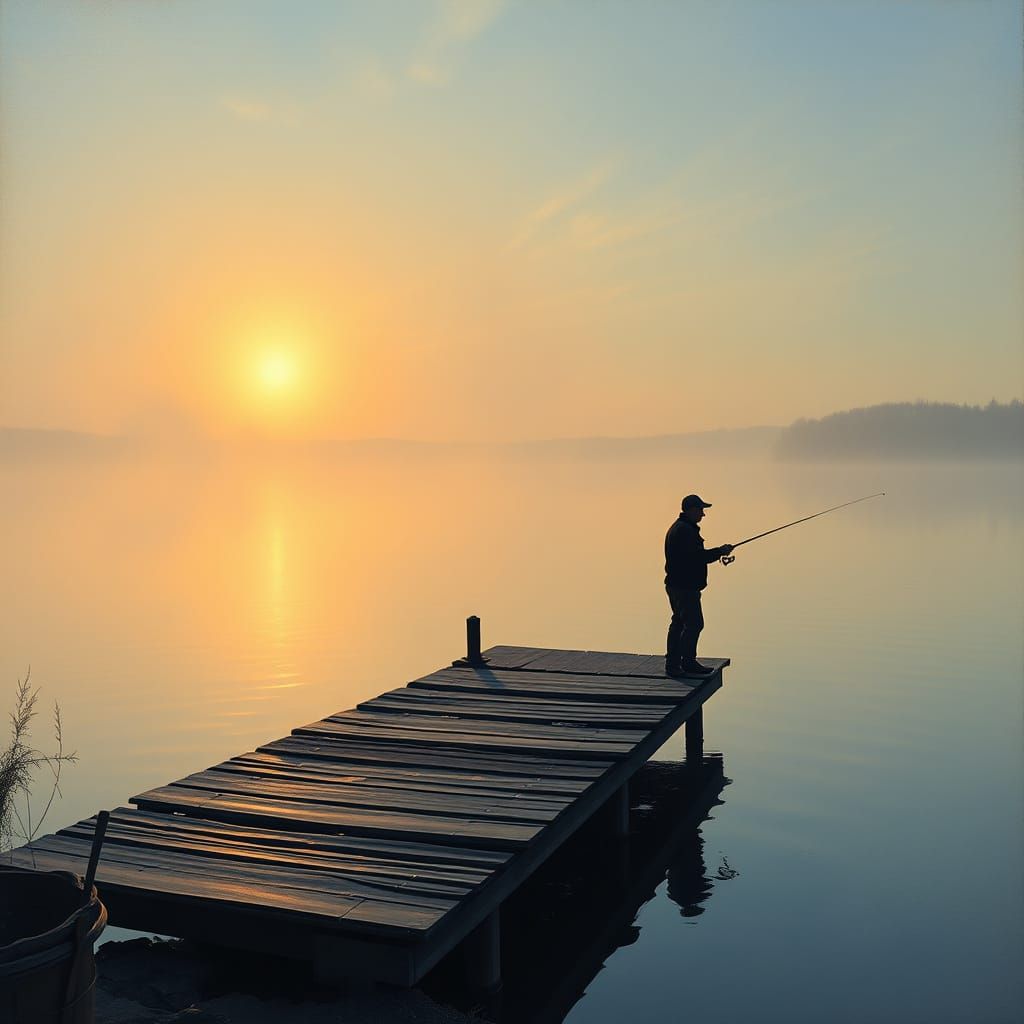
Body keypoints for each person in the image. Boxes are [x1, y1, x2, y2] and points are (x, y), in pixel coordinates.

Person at [664, 494, 733, 678]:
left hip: (677, 585)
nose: (703, 514)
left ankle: (674, 663)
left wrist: (718, 552)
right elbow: (696, 557)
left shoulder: (682, 528)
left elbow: (694, 556)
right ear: (691, 510)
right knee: (694, 623)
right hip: (684, 587)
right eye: (700, 510)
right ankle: (686, 663)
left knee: (679, 622)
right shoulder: (684, 531)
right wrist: (720, 551)